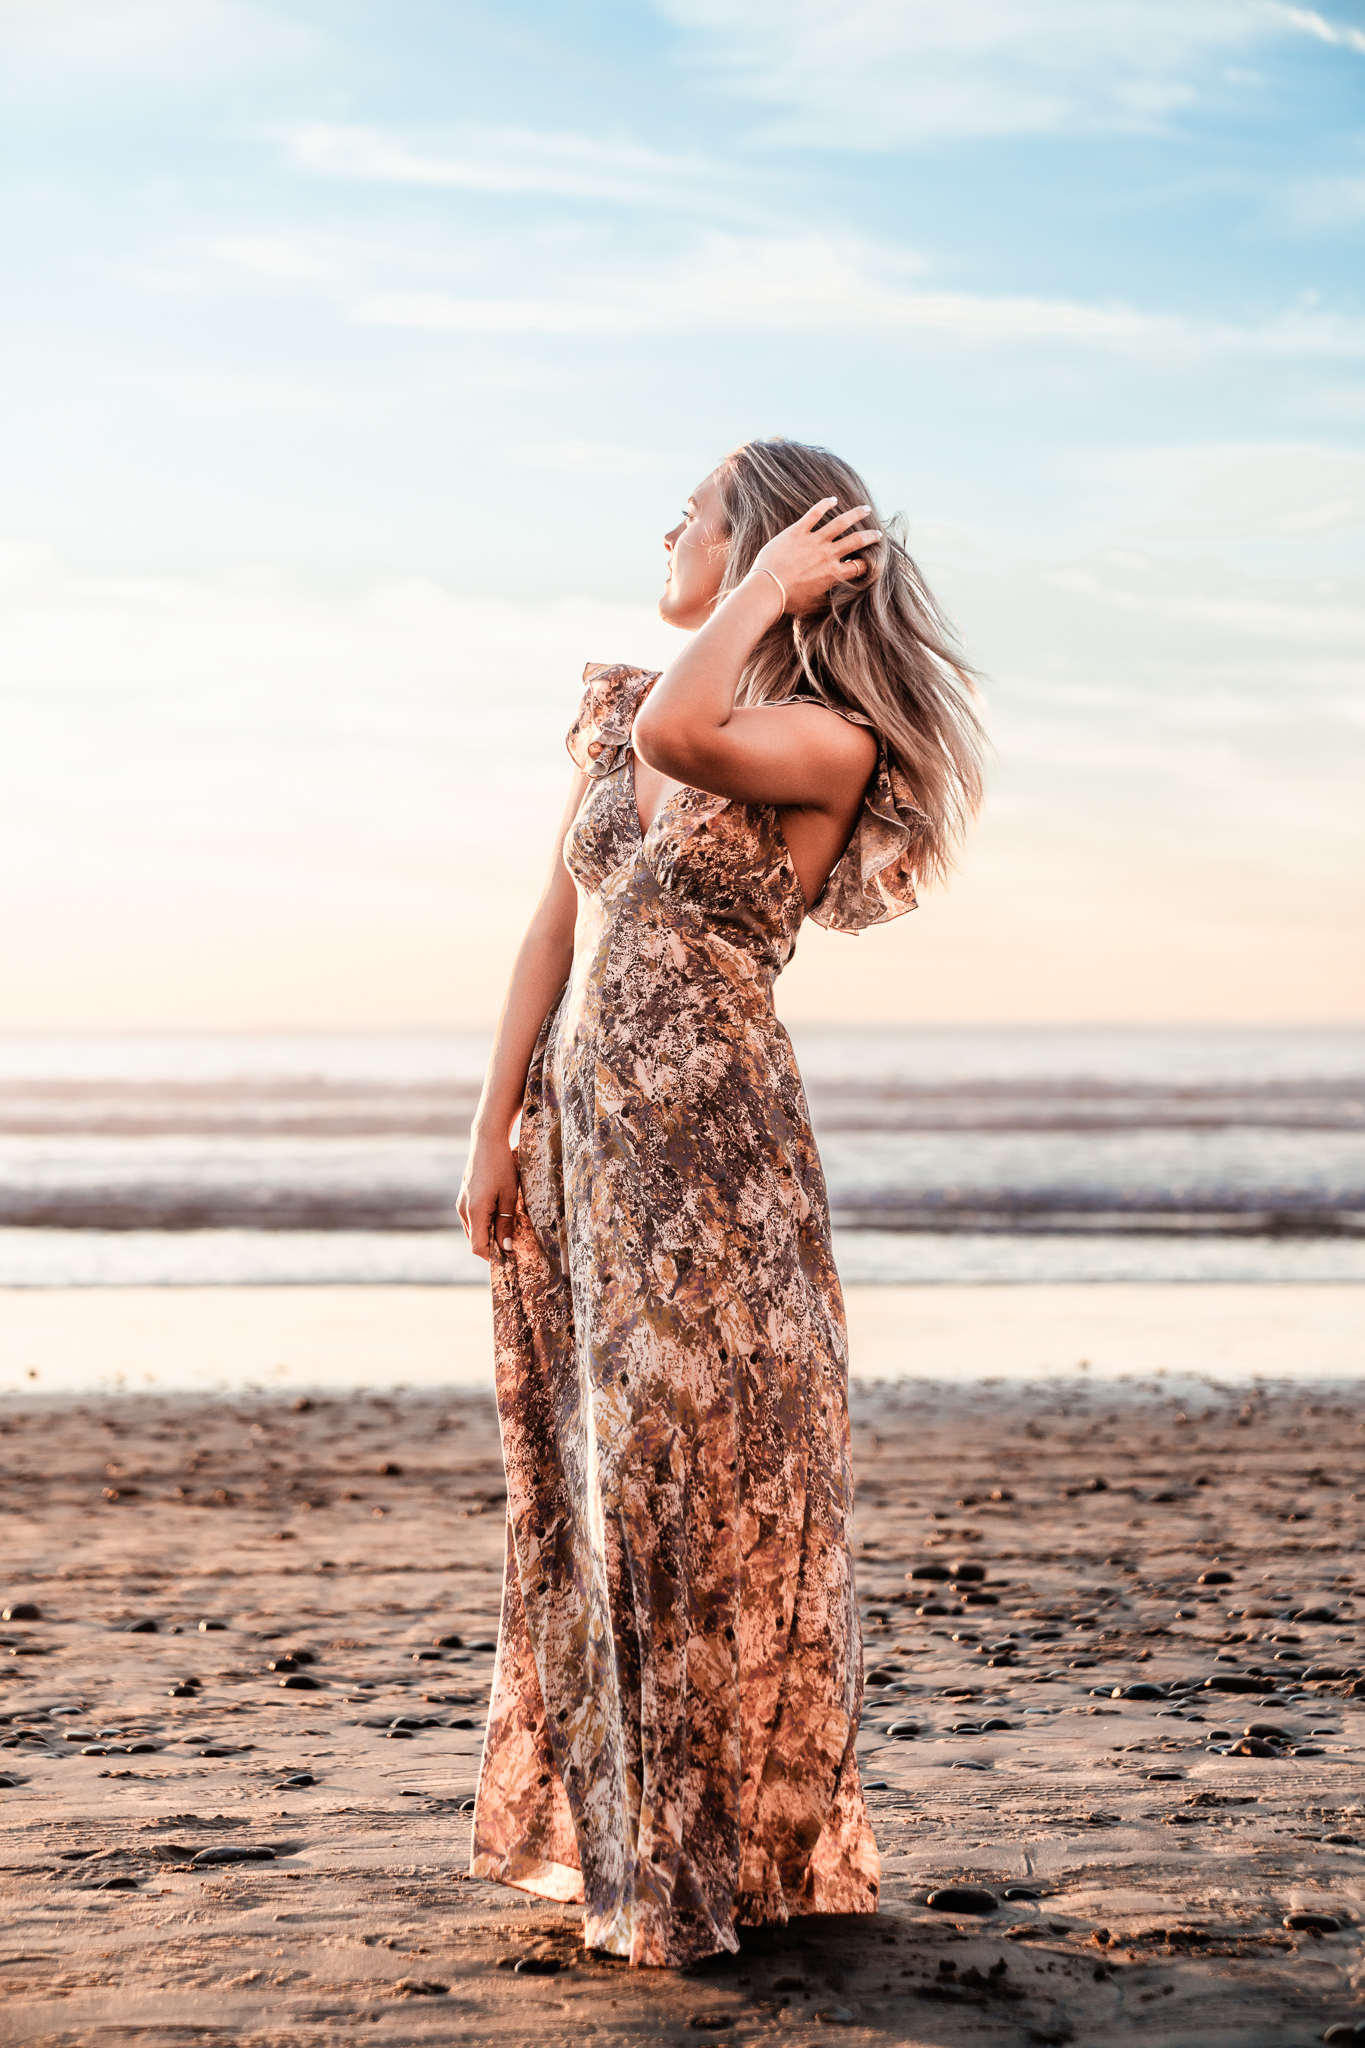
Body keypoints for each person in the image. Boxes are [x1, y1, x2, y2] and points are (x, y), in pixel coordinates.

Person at [457, 436, 986, 1967]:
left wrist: (759, 591)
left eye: (693, 516)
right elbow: (549, 929)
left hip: (713, 1161)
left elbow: (689, 733)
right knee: (591, 1486)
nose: (665, 534)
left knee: (693, 1491)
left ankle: (721, 1863)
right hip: (584, 1144)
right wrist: (491, 1128)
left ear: (766, 552)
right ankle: (631, 1845)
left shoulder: (823, 741)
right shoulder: (620, 715)